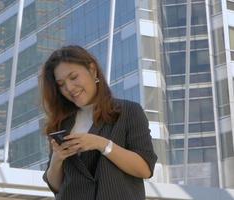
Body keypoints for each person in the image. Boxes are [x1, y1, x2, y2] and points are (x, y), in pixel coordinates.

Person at [39, 45, 158, 200]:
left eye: (73, 77)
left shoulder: (128, 111)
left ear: (93, 70)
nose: (68, 87)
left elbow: (145, 169)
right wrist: (57, 158)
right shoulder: (62, 124)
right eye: (61, 84)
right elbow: (56, 186)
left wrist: (102, 144)